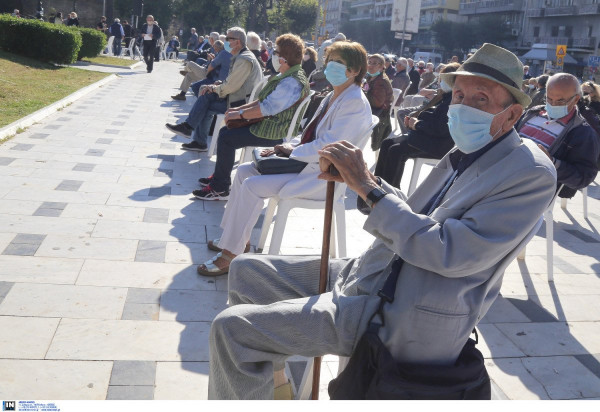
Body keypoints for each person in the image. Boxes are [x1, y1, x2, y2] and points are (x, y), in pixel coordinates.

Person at [207, 43, 557, 400]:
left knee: (233, 331)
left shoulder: (529, 172)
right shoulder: (470, 149)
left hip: (402, 310)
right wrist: (366, 182)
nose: (462, 107)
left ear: (512, 115)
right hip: (373, 272)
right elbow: (419, 215)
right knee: (246, 271)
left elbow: (449, 252)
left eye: (480, 99)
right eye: (459, 95)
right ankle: (281, 393)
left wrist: (371, 193)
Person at [196, 40, 375, 276]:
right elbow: (308, 135)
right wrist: (284, 146)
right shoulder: (334, 95)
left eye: (338, 63)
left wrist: (290, 151)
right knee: (243, 172)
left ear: (354, 70)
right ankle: (236, 239)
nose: (331, 66)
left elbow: (328, 146)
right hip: (307, 163)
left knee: (251, 185)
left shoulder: (353, 102)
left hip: (323, 177)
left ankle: (231, 254)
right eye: (329, 61)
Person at [192, 33, 310, 202]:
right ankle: (220, 177)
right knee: (226, 131)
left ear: (284, 58)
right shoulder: (286, 75)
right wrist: (238, 110)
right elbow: (261, 102)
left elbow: (266, 108)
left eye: (276, 52)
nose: (273, 55)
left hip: (275, 132)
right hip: (269, 124)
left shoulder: (292, 81)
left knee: (226, 137)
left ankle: (220, 187)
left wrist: (239, 113)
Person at [165, 26, 263, 151]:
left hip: (241, 104)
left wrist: (214, 88)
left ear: (237, 42)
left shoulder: (244, 59)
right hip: (238, 97)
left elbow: (231, 86)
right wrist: (218, 84)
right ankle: (194, 136)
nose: (225, 42)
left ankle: (192, 132)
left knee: (205, 97)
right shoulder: (241, 56)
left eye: (228, 39)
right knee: (205, 93)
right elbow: (233, 82)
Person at [375, 63, 459, 188]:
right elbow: (433, 117)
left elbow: (442, 128)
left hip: (439, 145)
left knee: (396, 151)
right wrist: (415, 119)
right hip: (429, 138)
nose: (441, 81)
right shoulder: (444, 96)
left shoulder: (454, 100)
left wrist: (418, 124)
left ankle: (390, 192)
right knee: (387, 143)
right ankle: (376, 187)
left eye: (444, 79)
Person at [516, 73, 599, 199]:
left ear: (576, 99)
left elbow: (583, 178)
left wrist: (552, 163)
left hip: (531, 191)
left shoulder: (583, 133)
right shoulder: (533, 113)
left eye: (560, 100)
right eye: (549, 99)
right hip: (503, 171)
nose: (553, 104)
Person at [364, 54, 394, 151]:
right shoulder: (371, 77)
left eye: (375, 63)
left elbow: (378, 103)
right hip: (372, 109)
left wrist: (363, 93)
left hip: (379, 114)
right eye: (369, 62)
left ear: (381, 66)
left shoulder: (380, 81)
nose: (371, 66)